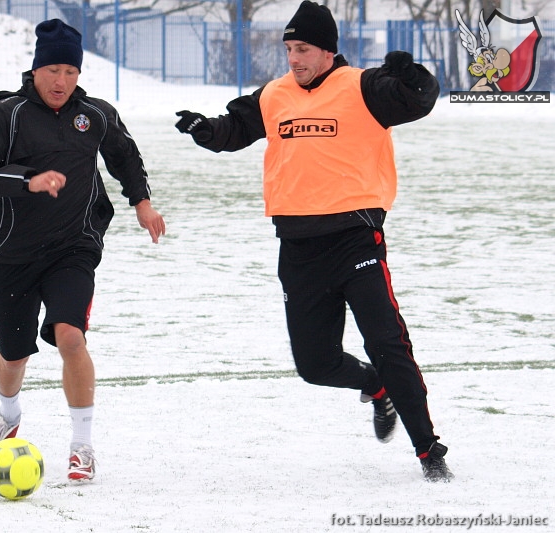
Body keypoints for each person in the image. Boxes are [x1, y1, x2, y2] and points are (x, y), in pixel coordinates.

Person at [175, 0, 453, 482]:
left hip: (355, 239)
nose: (294, 59)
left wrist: (413, 75)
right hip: (298, 247)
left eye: (302, 48)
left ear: (327, 51)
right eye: (288, 49)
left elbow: (420, 98)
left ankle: (429, 451)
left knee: (388, 344)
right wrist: (205, 130)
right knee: (314, 364)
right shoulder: (275, 94)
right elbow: (234, 129)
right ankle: (375, 388)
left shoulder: (363, 86)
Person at [0, 19, 166, 482]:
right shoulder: (6, 115)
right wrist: (28, 181)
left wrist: (143, 203)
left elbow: (125, 156)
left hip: (74, 246)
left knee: (71, 336)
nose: (61, 81)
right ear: (35, 70)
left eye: (70, 71)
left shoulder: (94, 113)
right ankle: (9, 414)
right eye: (52, 70)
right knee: (14, 354)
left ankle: (82, 445)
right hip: (13, 251)